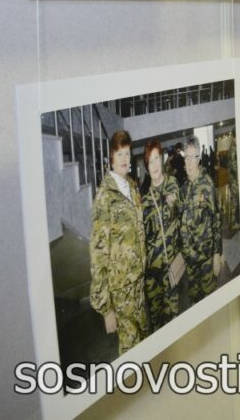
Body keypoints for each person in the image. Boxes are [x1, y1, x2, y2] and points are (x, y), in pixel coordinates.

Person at [89, 130, 147, 355]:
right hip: (121, 292)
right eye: (119, 154)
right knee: (130, 350)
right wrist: (106, 309)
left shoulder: (131, 187)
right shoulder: (105, 196)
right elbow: (97, 254)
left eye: (127, 153)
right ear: (111, 158)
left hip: (138, 285)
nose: (124, 159)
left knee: (143, 342)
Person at [141, 139, 183, 331]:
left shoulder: (172, 184)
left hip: (171, 271)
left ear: (162, 159)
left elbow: (180, 210)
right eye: (150, 161)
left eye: (157, 159)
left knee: (173, 322)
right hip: (152, 276)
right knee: (156, 325)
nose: (155, 165)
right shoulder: (144, 200)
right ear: (147, 167)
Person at [180, 137, 223, 303]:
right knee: (195, 303)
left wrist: (217, 254)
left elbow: (216, 219)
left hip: (205, 259)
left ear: (199, 159)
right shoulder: (183, 189)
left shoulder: (207, 184)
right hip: (190, 263)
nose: (189, 162)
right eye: (186, 157)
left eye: (193, 157)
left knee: (210, 303)